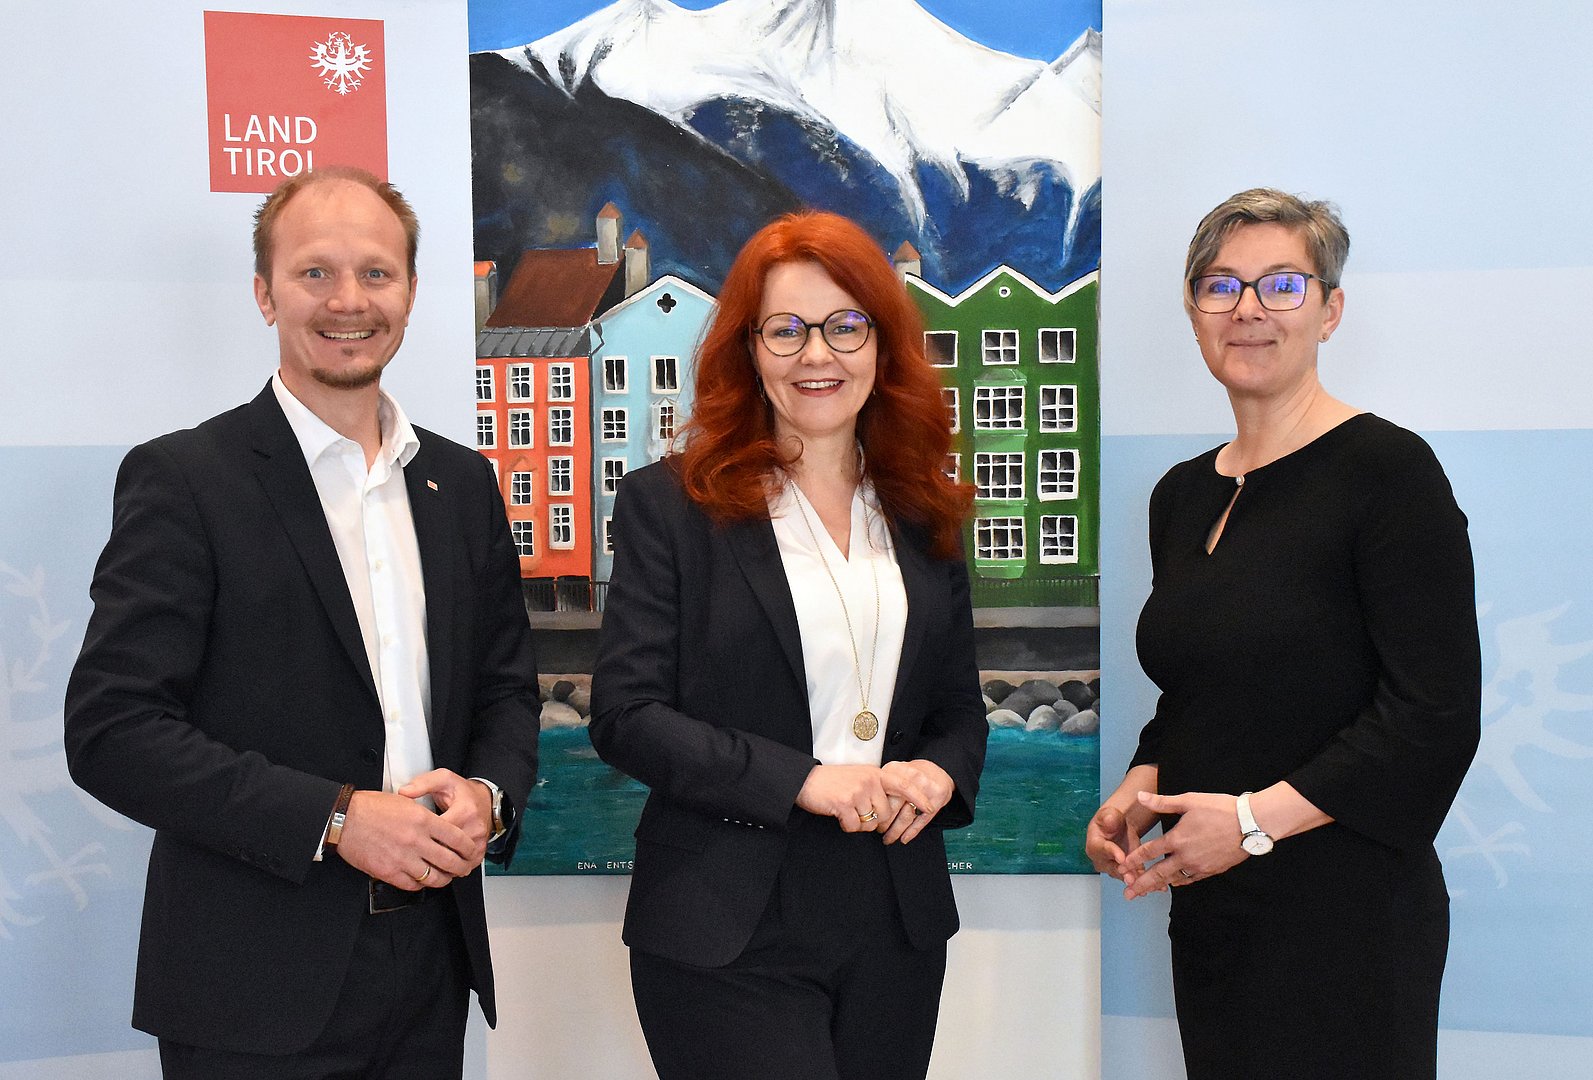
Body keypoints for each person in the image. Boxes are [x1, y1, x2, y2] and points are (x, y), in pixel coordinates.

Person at [63, 166, 540, 1079]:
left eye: (376, 273)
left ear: (410, 293)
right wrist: (335, 819)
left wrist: (489, 795)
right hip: (250, 986)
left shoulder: (461, 484)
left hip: (432, 966)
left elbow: (506, 693)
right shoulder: (185, 480)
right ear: (264, 293)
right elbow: (112, 732)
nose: (348, 300)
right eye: (315, 272)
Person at [1086, 188, 1480, 1079]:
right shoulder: (1181, 494)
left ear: (1329, 310)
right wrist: (1144, 779)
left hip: (1349, 912)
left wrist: (1250, 825)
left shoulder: (1389, 472)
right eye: (1220, 286)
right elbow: (1202, 687)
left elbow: (1433, 714)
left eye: (1281, 285)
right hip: (1215, 909)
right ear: (1193, 311)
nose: (1248, 309)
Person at [588, 210, 987, 1080]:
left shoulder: (924, 510)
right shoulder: (670, 505)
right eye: (786, 329)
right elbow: (626, 715)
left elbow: (959, 707)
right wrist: (802, 781)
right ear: (748, 348)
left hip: (894, 920)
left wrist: (939, 772)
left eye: (845, 326)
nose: (817, 354)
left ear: (882, 345)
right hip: (724, 923)